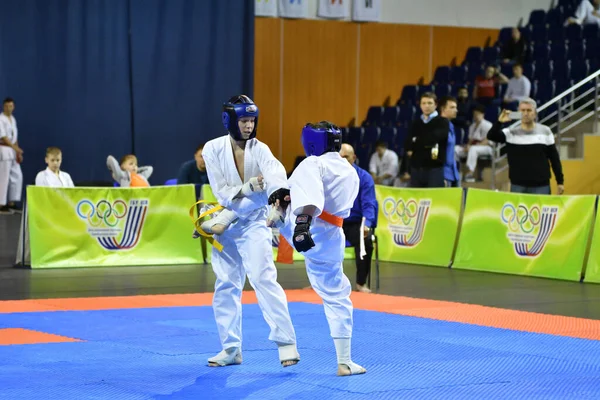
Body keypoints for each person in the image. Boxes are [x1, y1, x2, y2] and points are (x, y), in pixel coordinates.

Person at [198, 94, 299, 368]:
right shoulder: (212, 149)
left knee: (264, 279)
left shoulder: (261, 150)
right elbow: (223, 193)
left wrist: (276, 198)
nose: (248, 126)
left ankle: (286, 342)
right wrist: (247, 188)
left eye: (252, 120)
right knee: (226, 285)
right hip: (226, 227)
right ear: (229, 120)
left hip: (254, 223)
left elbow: (274, 176)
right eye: (243, 120)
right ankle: (230, 348)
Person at [267, 121, 366, 376]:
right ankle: (345, 362)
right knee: (337, 296)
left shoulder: (313, 163)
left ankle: (274, 210)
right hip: (333, 237)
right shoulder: (350, 170)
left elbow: (310, 197)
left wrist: (301, 226)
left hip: (305, 228)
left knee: (269, 190)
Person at [487, 98, 565, 195]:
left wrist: (560, 181)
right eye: (522, 110)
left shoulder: (546, 131)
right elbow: (491, 136)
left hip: (541, 186)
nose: (526, 113)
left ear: (535, 113)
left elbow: (554, 158)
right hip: (518, 185)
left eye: (529, 110)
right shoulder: (511, 132)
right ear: (519, 113)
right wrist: (500, 122)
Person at [340, 143, 377, 293]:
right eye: (340, 157)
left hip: (355, 222)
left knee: (366, 241)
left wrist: (366, 224)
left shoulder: (364, 178)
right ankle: (319, 283)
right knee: (317, 239)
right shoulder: (330, 177)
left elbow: (369, 204)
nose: (343, 160)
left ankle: (361, 283)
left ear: (354, 158)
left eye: (346, 157)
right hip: (335, 222)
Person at [405, 92, 449, 188]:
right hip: (416, 168)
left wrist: (416, 141)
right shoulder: (415, 123)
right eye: (423, 103)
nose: (426, 106)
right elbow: (408, 144)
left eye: (429, 103)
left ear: (436, 105)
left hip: (435, 168)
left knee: (434, 200)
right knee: (416, 200)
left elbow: (432, 139)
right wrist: (421, 142)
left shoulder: (442, 122)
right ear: (420, 105)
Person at [0, 97, 24, 214]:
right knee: (3, 177)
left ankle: (12, 202)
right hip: (3, 149)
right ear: (3, 106)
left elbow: (15, 137)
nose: (9, 108)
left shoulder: (13, 119)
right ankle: (1, 204)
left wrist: (17, 151)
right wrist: (15, 148)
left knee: (17, 175)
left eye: (11, 106)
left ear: (13, 107)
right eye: (6, 106)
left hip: (13, 150)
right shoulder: (1, 119)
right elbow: (3, 136)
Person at [439, 96, 461, 187]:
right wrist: (439, 175)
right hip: (443, 173)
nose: (456, 110)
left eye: (456, 107)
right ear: (443, 109)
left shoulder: (451, 125)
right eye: (452, 107)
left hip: (454, 173)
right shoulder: (437, 126)